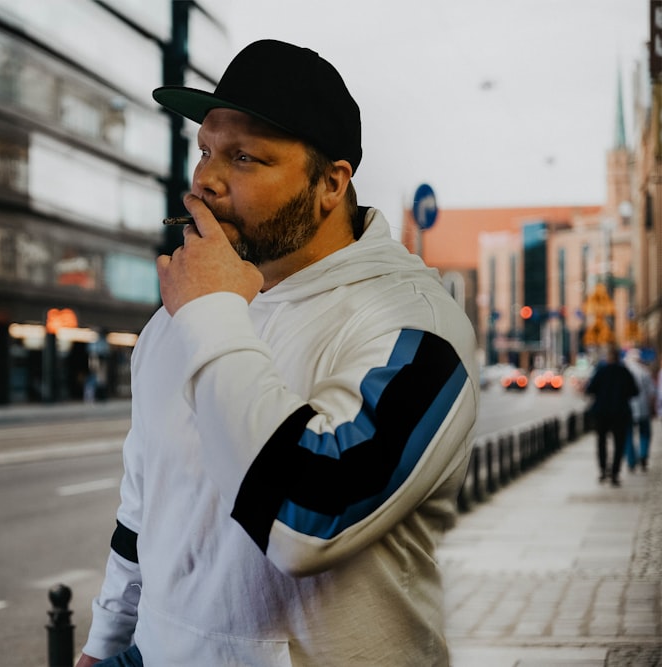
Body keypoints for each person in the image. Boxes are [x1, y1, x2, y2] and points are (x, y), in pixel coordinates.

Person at [76, 39, 479, 667]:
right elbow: (144, 505)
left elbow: (306, 519)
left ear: (330, 183)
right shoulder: (180, 316)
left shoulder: (418, 328)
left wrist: (211, 313)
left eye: (243, 157)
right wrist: (105, 646)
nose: (205, 179)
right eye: (205, 150)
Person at [585, 343, 638, 486]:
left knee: (601, 442)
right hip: (620, 412)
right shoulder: (624, 372)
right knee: (619, 443)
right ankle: (615, 473)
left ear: (608, 357)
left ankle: (603, 470)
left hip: (602, 412)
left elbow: (590, 389)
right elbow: (634, 391)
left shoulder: (601, 371)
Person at [624, 349, 654, 471]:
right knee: (645, 433)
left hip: (627, 409)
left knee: (628, 435)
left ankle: (631, 461)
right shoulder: (644, 372)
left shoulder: (625, 371)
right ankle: (643, 455)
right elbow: (651, 392)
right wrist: (652, 408)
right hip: (643, 408)